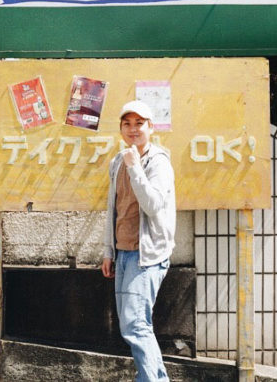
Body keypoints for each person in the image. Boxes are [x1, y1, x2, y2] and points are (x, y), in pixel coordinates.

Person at [101, 100, 176, 382]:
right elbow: (113, 209)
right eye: (127, 124)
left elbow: (153, 205)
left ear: (150, 128)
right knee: (133, 325)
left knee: (135, 326)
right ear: (121, 128)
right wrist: (108, 250)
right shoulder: (117, 162)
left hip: (147, 256)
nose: (133, 129)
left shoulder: (158, 162)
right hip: (123, 254)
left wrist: (135, 169)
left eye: (139, 123)